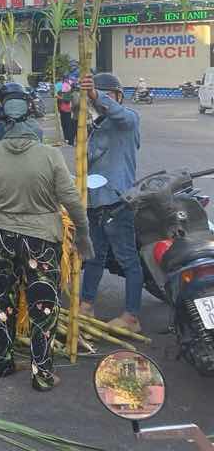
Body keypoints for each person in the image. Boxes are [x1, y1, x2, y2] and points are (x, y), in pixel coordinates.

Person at [0, 86, 92, 391]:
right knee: (43, 307)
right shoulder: (50, 155)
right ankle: (42, 374)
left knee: (1, 303)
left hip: (0, 239)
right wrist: (84, 235)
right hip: (41, 242)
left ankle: (2, 361)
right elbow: (72, 200)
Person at [79, 72, 143, 333]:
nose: (101, 102)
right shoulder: (92, 128)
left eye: (109, 96)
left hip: (117, 202)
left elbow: (119, 114)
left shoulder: (128, 120)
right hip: (94, 202)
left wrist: (96, 96)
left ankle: (132, 316)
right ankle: (86, 304)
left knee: (128, 259)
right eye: (97, 96)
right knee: (94, 257)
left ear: (118, 98)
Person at [57, 76, 76, 145]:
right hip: (63, 110)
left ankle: (69, 139)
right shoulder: (62, 90)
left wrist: (60, 97)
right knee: (64, 124)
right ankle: (66, 138)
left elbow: (67, 100)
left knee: (68, 125)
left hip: (68, 111)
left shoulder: (69, 91)